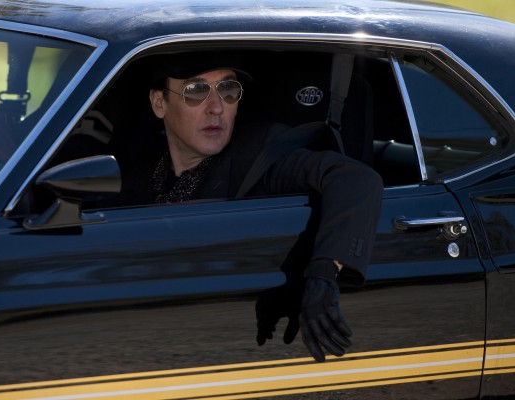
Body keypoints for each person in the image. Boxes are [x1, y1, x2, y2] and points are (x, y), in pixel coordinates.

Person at [147, 51, 383, 362]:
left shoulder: (259, 153)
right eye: (196, 91)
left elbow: (355, 179)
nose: (216, 107)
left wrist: (324, 272)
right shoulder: (141, 167)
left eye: (228, 90)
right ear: (159, 103)